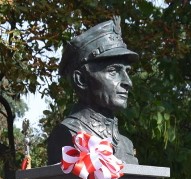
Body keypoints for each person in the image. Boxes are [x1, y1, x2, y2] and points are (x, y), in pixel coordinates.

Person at [46, 17, 139, 164]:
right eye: (114, 71)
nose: (128, 82)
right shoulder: (67, 134)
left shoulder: (126, 145)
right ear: (81, 79)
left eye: (127, 72)